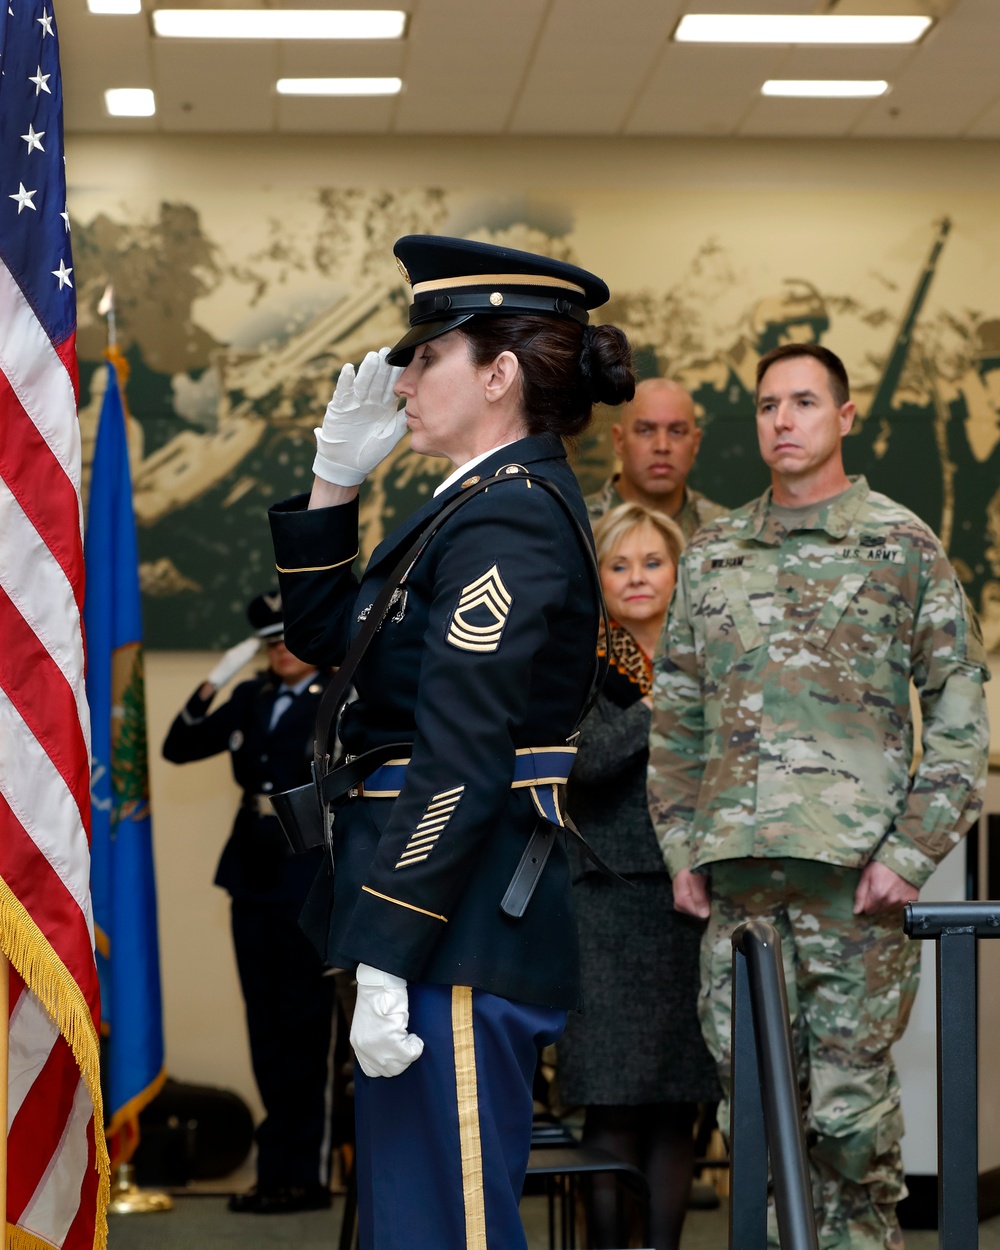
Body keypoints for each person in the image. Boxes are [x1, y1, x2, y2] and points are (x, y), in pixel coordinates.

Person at [267, 234, 636, 1250]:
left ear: (500, 374)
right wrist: (332, 485)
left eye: (429, 353)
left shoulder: (506, 518)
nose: (405, 375)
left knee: (449, 1219)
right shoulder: (470, 506)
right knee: (411, 1215)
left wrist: (386, 945)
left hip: (453, 916)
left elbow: (462, 751)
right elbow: (328, 641)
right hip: (435, 904)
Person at [647, 342, 990, 1250]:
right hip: (737, 885)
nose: (783, 420)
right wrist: (681, 850)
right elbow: (676, 714)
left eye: (803, 402)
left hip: (853, 890)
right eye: (767, 405)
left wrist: (910, 853)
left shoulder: (899, 542)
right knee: (752, 1120)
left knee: (847, 1123)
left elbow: (960, 709)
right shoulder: (715, 552)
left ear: (844, 417)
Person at [557, 502, 719, 1250]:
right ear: (598, 578)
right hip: (608, 902)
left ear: (679, 572)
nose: (637, 577)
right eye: (619, 564)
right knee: (613, 1102)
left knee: (677, 1101)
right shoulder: (573, 662)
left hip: (694, 899)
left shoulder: (709, 659)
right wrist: (659, 707)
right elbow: (584, 764)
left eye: (652, 562)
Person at [161, 593, 339, 1214]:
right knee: (265, 1026)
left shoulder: (341, 698)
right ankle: (276, 1169)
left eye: (289, 639)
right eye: (269, 643)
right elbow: (177, 747)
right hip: (252, 875)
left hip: (310, 873)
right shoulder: (251, 698)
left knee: (306, 1026)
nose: (280, 652)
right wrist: (216, 679)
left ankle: (308, 1172)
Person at [586, 377, 725, 539]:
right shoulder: (577, 526)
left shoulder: (726, 530)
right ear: (619, 440)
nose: (662, 446)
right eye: (645, 431)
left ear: (695, 443)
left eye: (676, 431)